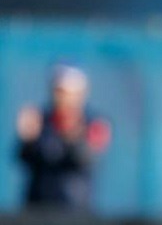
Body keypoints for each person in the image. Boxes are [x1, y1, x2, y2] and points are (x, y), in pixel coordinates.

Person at [14, 64, 111, 210]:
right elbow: (22, 158)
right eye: (60, 91)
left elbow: (87, 158)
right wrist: (28, 141)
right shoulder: (39, 120)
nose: (65, 98)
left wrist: (73, 138)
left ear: (82, 93)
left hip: (76, 212)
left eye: (70, 93)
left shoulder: (94, 123)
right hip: (37, 210)